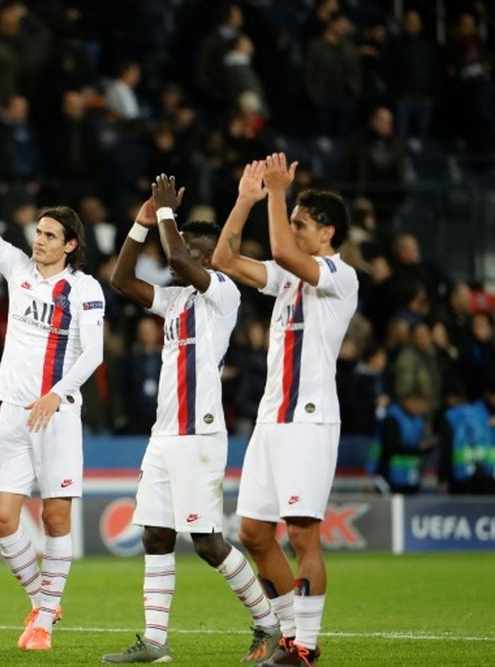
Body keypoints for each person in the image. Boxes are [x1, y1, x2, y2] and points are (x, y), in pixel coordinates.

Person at [0, 110, 104, 652]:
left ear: (71, 244)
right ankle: (43, 600)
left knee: (55, 514)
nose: (40, 241)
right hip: (12, 409)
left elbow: (93, 353)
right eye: (39, 233)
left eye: (51, 236)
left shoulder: (85, 290)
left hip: (57, 411)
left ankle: (45, 622)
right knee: (1, 516)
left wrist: (57, 393)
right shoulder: (18, 271)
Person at [104, 174, 280, 664]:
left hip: (199, 432)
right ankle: (156, 642)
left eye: (201, 251)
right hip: (164, 433)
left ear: (213, 257)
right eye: (191, 249)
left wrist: (166, 215)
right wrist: (142, 224)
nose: (189, 257)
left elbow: (179, 257)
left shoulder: (222, 292)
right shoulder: (177, 301)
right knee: (155, 534)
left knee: (206, 542)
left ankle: (269, 624)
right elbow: (121, 281)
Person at [213, 156, 358, 666]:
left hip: (310, 419)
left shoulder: (340, 276)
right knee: (253, 533)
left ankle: (307, 646)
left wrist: (277, 192)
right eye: (291, 220)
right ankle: (292, 637)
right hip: (273, 420)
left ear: (326, 233)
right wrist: (246, 200)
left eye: (301, 223)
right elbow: (224, 260)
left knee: (301, 533)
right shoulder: (287, 278)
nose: (291, 230)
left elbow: (277, 248)